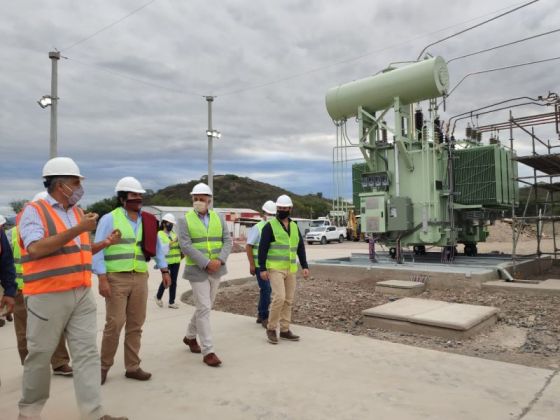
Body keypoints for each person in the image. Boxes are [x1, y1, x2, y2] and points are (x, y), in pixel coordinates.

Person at [17, 157, 126, 420]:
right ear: (61, 184)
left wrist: (104, 243)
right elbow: (35, 248)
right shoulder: (34, 211)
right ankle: (29, 414)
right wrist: (79, 228)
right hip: (47, 294)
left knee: (87, 353)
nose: (80, 187)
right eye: (76, 182)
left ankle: (94, 413)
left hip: (80, 292)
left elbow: (80, 250)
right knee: (40, 356)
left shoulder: (76, 212)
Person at [94, 176, 171, 385]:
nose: (138, 199)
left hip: (139, 277)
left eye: (140, 195)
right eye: (133, 195)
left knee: (136, 324)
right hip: (115, 278)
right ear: (122, 199)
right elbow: (97, 250)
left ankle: (133, 366)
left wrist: (164, 269)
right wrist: (102, 278)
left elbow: (155, 247)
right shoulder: (109, 219)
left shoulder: (147, 220)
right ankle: (103, 366)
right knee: (115, 323)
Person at [9, 191, 73, 376]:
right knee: (24, 330)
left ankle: (59, 363)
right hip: (21, 288)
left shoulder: (54, 231)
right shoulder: (12, 233)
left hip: (48, 287)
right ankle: (30, 366)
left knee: (55, 326)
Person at [176, 182, 232, 367]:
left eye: (202, 198)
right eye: (195, 199)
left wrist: (220, 260)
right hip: (197, 270)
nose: (199, 201)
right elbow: (185, 245)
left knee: (205, 306)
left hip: (217, 269)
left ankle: (190, 336)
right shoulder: (185, 220)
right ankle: (208, 351)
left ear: (209, 200)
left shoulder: (219, 218)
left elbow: (227, 241)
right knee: (204, 308)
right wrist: (206, 263)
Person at [258, 194, 310, 345]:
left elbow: (299, 247)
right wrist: (262, 268)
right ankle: (272, 328)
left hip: (290, 269)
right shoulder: (270, 226)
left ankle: (285, 330)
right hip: (275, 269)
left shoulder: (294, 226)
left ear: (290, 209)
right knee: (279, 297)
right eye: (279, 208)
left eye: (284, 208)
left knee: (288, 300)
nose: (281, 210)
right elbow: (262, 249)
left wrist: (305, 265)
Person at [245, 200, 276, 328]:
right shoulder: (257, 228)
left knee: (267, 291)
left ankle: (260, 314)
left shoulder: (275, 227)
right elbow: (248, 246)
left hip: (272, 266)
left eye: (273, 214)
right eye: (269, 213)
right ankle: (264, 316)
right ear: (263, 213)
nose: (271, 216)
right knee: (266, 289)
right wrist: (252, 265)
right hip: (259, 266)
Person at [155, 213, 182, 309]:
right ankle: (158, 296)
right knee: (166, 280)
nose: (171, 225)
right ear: (164, 223)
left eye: (172, 223)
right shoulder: (159, 234)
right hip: (166, 262)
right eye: (169, 223)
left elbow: (178, 245)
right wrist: (174, 241)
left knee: (174, 281)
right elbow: (164, 246)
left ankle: (171, 302)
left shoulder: (173, 234)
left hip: (176, 260)